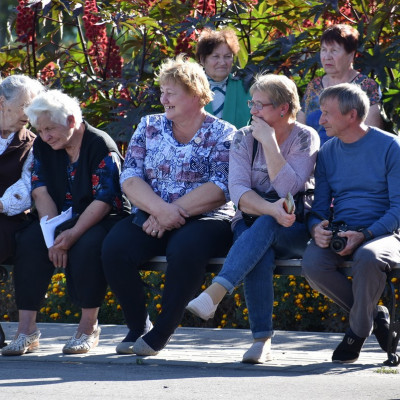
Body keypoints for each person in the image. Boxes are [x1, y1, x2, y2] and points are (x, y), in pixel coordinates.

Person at [101, 55, 235, 356]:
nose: (163, 99)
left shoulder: (223, 133)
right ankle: (138, 325)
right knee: (115, 248)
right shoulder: (149, 126)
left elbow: (221, 187)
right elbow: (130, 176)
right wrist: (160, 211)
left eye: (171, 93)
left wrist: (169, 213)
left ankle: (162, 332)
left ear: (196, 94)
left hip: (207, 218)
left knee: (185, 248)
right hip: (153, 213)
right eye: (162, 92)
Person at [186, 74, 320, 364]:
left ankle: (219, 296)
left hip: (294, 228)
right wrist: (271, 210)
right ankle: (261, 342)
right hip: (250, 221)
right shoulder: (243, 137)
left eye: (261, 105)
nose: (253, 111)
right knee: (262, 241)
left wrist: (270, 143)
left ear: (283, 108)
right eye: (252, 104)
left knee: (269, 225)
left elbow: (288, 190)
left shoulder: (305, 137)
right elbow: (237, 191)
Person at [2, 90, 128, 356]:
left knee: (87, 244)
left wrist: (70, 235)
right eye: (40, 130)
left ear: (71, 121)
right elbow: (40, 190)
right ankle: (26, 331)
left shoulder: (100, 146)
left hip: (100, 217)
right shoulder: (44, 145)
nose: (45, 136)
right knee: (30, 241)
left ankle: (88, 328)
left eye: (50, 129)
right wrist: (52, 236)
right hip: (60, 216)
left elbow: (105, 200)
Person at [301, 83, 400, 364]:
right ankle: (374, 316)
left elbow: (398, 209)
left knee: (368, 257)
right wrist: (316, 229)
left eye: (327, 113)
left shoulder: (391, 146)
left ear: (351, 115)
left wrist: (365, 234)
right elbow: (319, 209)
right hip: (344, 230)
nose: (321, 120)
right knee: (312, 263)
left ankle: (356, 333)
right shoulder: (327, 152)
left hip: (386, 233)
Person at [297, 24, 382, 145]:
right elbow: (300, 130)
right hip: (312, 153)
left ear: (351, 55)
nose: (327, 57)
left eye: (334, 51)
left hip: (351, 154)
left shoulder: (366, 86)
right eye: (324, 50)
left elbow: (372, 136)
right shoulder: (313, 86)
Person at [0, 75, 45, 264]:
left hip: (6, 218)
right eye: (25, 106)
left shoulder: (33, 145)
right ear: (2, 102)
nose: (30, 114)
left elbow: (28, 185)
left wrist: (1, 204)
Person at [195, 27, 251, 129]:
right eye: (216, 56)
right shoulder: (191, 88)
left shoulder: (246, 87)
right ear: (202, 59)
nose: (222, 62)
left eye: (227, 56)